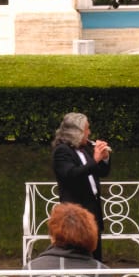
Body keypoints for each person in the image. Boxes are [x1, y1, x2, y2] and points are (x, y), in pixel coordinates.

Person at [52, 111, 111, 261]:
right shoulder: (62, 151)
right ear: (76, 132)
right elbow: (71, 175)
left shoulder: (84, 150)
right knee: (77, 254)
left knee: (96, 253)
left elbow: (101, 172)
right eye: (87, 129)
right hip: (75, 212)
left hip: (92, 209)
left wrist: (104, 158)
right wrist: (95, 160)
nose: (89, 132)